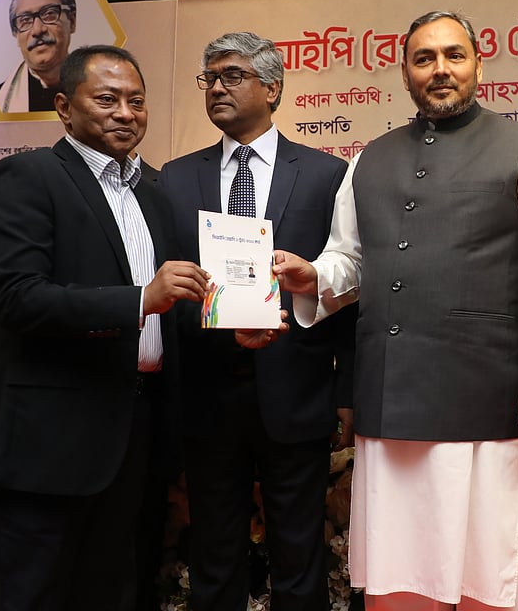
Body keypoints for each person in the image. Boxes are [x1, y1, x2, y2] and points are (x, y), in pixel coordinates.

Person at [271, 11, 518, 611]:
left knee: (488, 573)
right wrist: (314, 277)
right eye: (424, 58)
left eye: (453, 55)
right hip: (391, 394)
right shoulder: (370, 158)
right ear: (405, 74)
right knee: (399, 573)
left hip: (487, 393)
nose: (440, 69)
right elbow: (350, 258)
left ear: (478, 65)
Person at [0, 44, 209, 611]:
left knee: (112, 590)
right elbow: (18, 300)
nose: (126, 113)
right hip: (49, 437)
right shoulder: (29, 175)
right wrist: (140, 299)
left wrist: (228, 325)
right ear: (65, 108)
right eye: (108, 99)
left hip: (135, 430)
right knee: (35, 592)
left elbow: (169, 308)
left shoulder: (154, 192)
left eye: (137, 101)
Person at [159, 31, 355, 611]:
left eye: (232, 75)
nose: (217, 88)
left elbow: (349, 282)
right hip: (207, 393)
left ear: (272, 88)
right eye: (209, 78)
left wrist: (347, 390)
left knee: (299, 554)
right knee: (214, 554)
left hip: (296, 388)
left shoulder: (326, 174)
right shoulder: (176, 177)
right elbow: (164, 285)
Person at [0, 0, 77, 113]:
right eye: (25, 20)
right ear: (16, 34)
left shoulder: (100, 88)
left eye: (49, 14)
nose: (37, 30)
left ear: (72, 21)